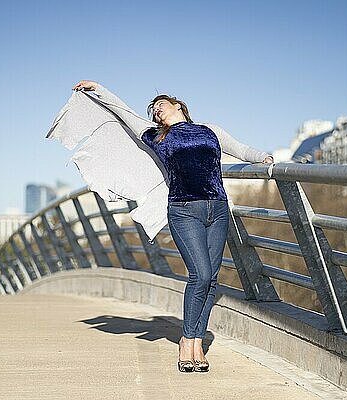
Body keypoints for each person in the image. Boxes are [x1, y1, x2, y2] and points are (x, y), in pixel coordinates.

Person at [72, 80, 274, 373]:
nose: (157, 113)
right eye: (154, 112)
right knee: (200, 274)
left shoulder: (210, 131)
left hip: (217, 209)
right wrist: (99, 89)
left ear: (178, 105)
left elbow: (240, 149)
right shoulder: (158, 137)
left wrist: (263, 158)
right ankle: (188, 340)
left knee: (212, 278)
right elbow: (124, 114)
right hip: (184, 210)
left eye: (161, 107)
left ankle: (197, 343)